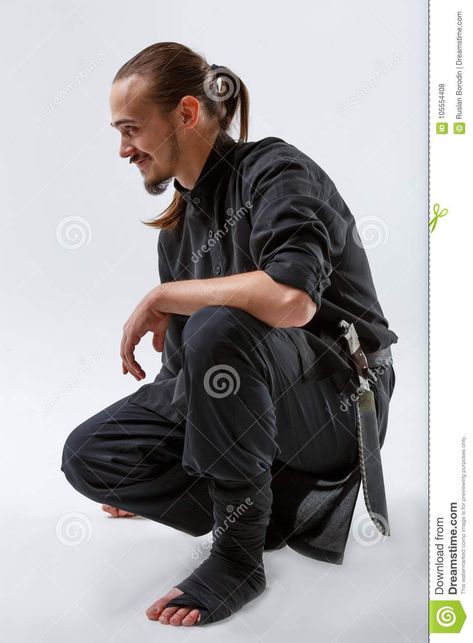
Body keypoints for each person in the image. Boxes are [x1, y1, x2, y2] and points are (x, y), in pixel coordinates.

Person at [60, 41, 398, 627]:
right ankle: (259, 501)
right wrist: (140, 465)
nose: (123, 149)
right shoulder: (177, 234)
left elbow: (291, 301)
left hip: (335, 401)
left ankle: (239, 556)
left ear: (187, 114)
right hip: (254, 413)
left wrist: (164, 297)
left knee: (220, 324)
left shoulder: (276, 171)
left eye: (131, 129)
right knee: (90, 456)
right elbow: (188, 378)